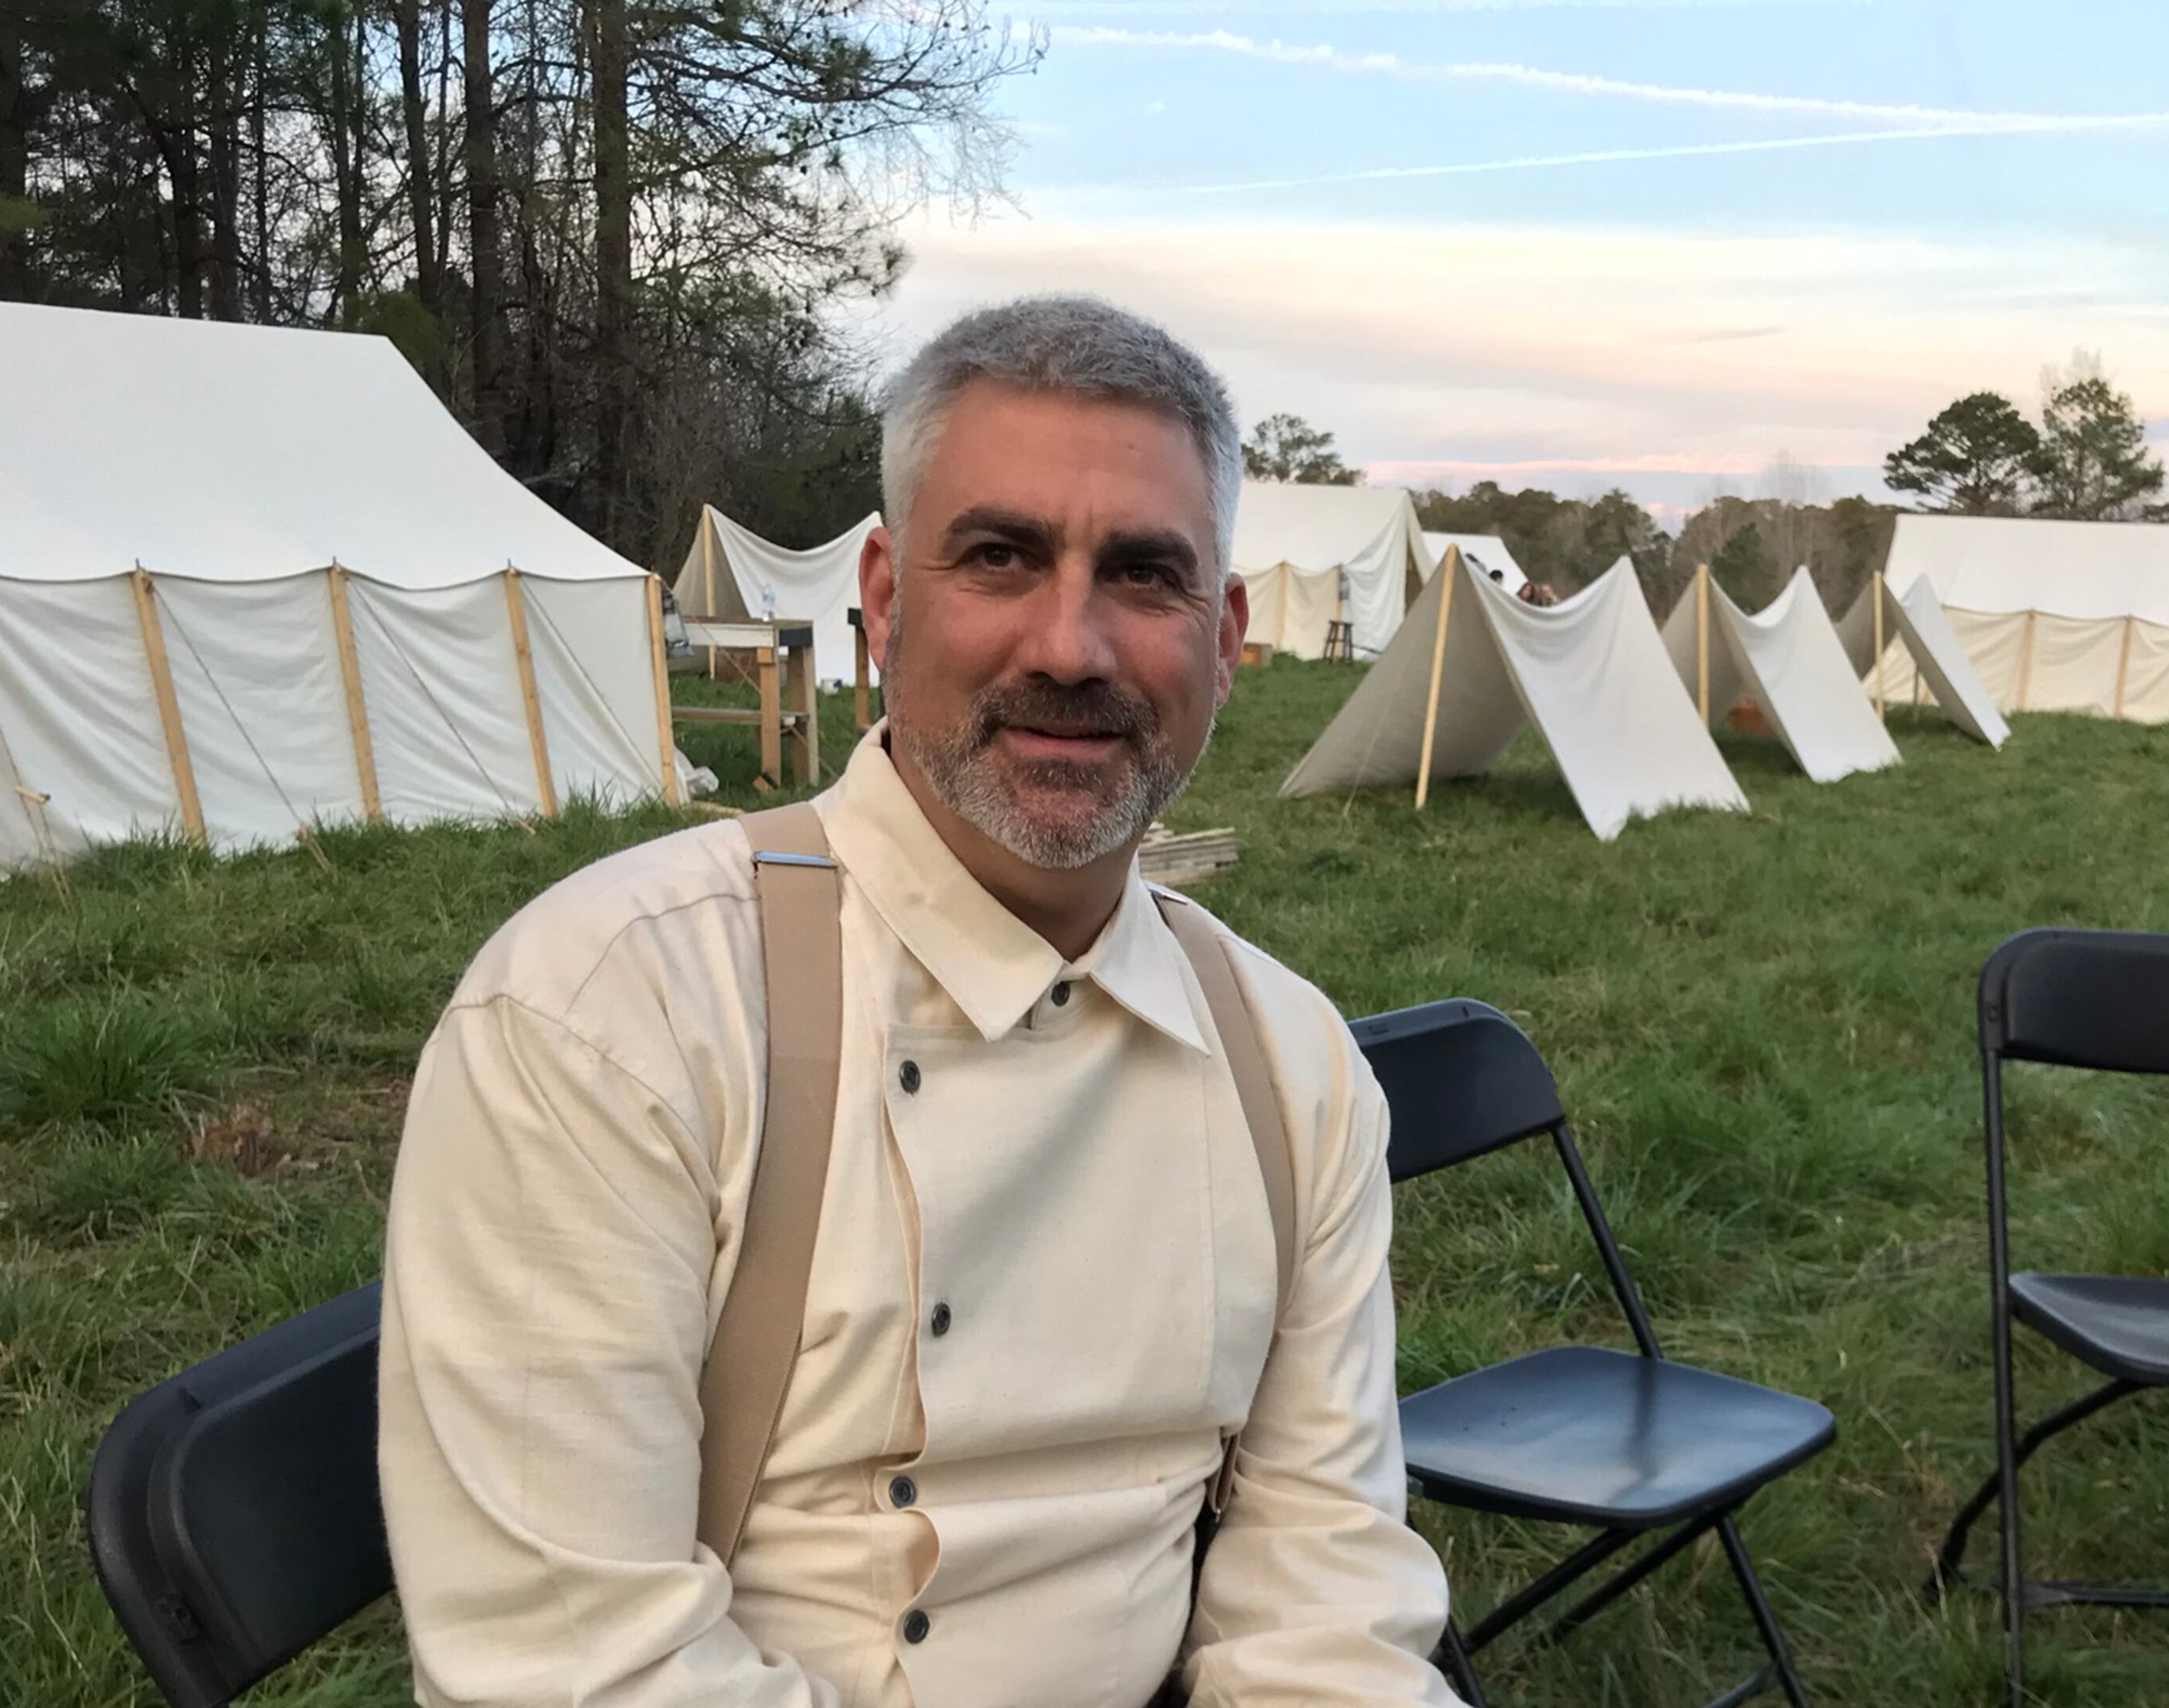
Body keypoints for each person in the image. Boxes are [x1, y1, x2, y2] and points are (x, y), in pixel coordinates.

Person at [377, 297, 1465, 1706]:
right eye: (1002, 558)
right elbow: (578, 1672)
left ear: (1225, 638)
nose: (1071, 648)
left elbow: (1325, 1602)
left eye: (1143, 577)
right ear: (886, 601)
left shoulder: (1292, 1065)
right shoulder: (613, 1012)